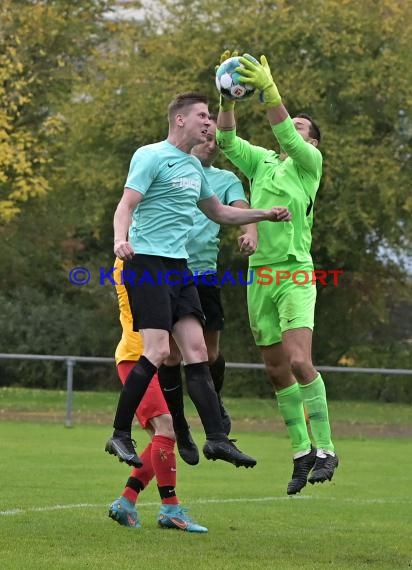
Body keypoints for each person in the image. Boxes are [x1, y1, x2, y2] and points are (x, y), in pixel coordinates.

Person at [105, 91, 291, 470]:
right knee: (157, 352)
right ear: (180, 120)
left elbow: (220, 212)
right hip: (146, 263)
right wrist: (120, 240)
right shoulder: (151, 155)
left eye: (210, 116)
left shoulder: (194, 171)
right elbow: (126, 205)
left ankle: (218, 440)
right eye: (203, 116)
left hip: (180, 268)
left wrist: (264, 215)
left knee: (198, 353)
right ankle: (119, 434)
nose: (209, 123)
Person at [216, 53, 339, 495]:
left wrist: (271, 93)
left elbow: (282, 128)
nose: (295, 128)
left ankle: (326, 448)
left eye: (303, 128)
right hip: (260, 277)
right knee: (274, 369)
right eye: (295, 124)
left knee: (300, 360)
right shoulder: (264, 163)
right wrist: (226, 98)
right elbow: (228, 141)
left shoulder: (309, 166)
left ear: (314, 144)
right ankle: (301, 451)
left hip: (294, 274)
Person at [158, 114, 256, 454]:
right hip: (169, 270)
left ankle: (214, 405)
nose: (212, 145)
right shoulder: (169, 167)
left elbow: (240, 209)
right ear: (192, 135)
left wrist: (251, 230)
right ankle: (180, 425)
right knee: (171, 355)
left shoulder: (225, 178)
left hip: (204, 275)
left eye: (217, 141)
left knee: (209, 352)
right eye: (207, 138)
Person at [108, 257, 207, 532]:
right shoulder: (133, 261)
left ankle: (127, 502)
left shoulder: (146, 258)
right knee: (166, 429)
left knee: (162, 438)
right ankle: (170, 509)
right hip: (136, 358)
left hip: (147, 360)